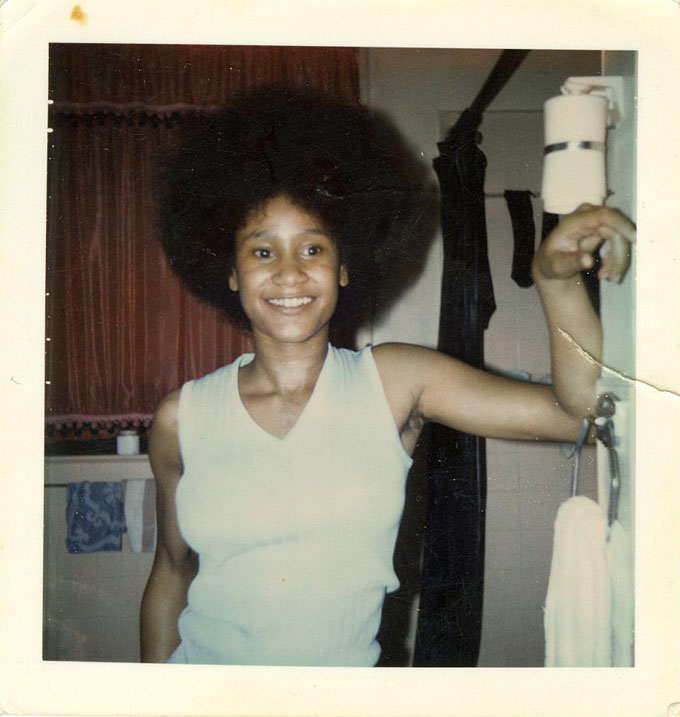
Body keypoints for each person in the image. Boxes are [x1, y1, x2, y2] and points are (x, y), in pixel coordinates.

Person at [139, 87, 635, 666]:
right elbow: (171, 571)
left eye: (313, 248)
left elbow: (579, 413)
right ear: (229, 273)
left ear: (345, 266)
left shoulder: (395, 381)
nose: (291, 275)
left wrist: (555, 280)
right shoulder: (183, 418)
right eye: (263, 253)